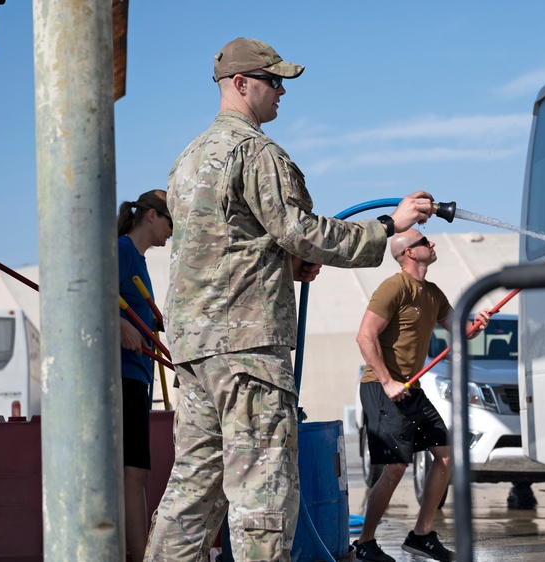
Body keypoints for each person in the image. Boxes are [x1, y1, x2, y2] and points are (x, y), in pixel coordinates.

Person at [144, 38, 435, 562]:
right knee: (262, 497)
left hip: (195, 351)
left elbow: (226, 245)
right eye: (274, 81)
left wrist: (282, 262)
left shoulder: (186, 161)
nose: (282, 92)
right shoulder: (256, 152)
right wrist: (389, 226)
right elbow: (301, 230)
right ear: (241, 84)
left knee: (190, 495)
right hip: (248, 350)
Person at [354, 229, 491, 562]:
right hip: (381, 386)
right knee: (396, 467)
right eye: (424, 242)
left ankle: (422, 534)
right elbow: (365, 336)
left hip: (411, 389)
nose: (432, 244)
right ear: (409, 254)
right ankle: (365, 543)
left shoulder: (432, 293)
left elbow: (458, 329)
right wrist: (387, 382)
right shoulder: (393, 288)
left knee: (446, 454)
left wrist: (477, 323)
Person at [117, 189, 173, 562]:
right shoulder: (121, 249)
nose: (173, 231)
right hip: (120, 378)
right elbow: (86, 293)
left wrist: (154, 324)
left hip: (137, 378)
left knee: (135, 474)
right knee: (131, 475)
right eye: (172, 222)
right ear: (152, 216)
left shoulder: (139, 261)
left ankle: (138, 555)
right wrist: (119, 322)